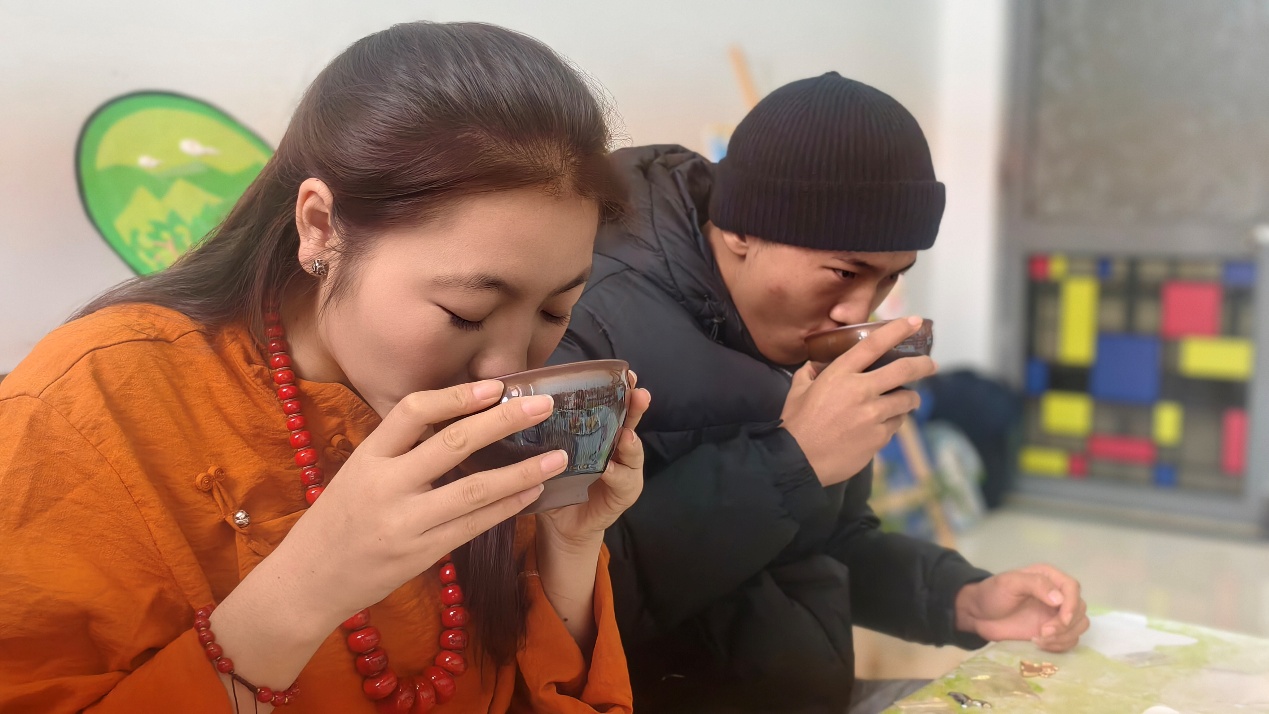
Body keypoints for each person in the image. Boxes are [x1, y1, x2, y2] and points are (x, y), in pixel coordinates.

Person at [0, 22, 653, 714]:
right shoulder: (87, 408)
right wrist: (307, 590)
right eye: (465, 312)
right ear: (320, 226)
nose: (505, 369)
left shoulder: (507, 425)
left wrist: (569, 549)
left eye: (554, 311)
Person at [550, 73, 1090, 713]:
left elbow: (826, 543)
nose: (858, 312)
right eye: (842, 271)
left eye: (890, 278)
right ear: (741, 231)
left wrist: (961, 599)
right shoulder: (584, 323)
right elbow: (565, 605)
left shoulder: (794, 335)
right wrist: (792, 460)